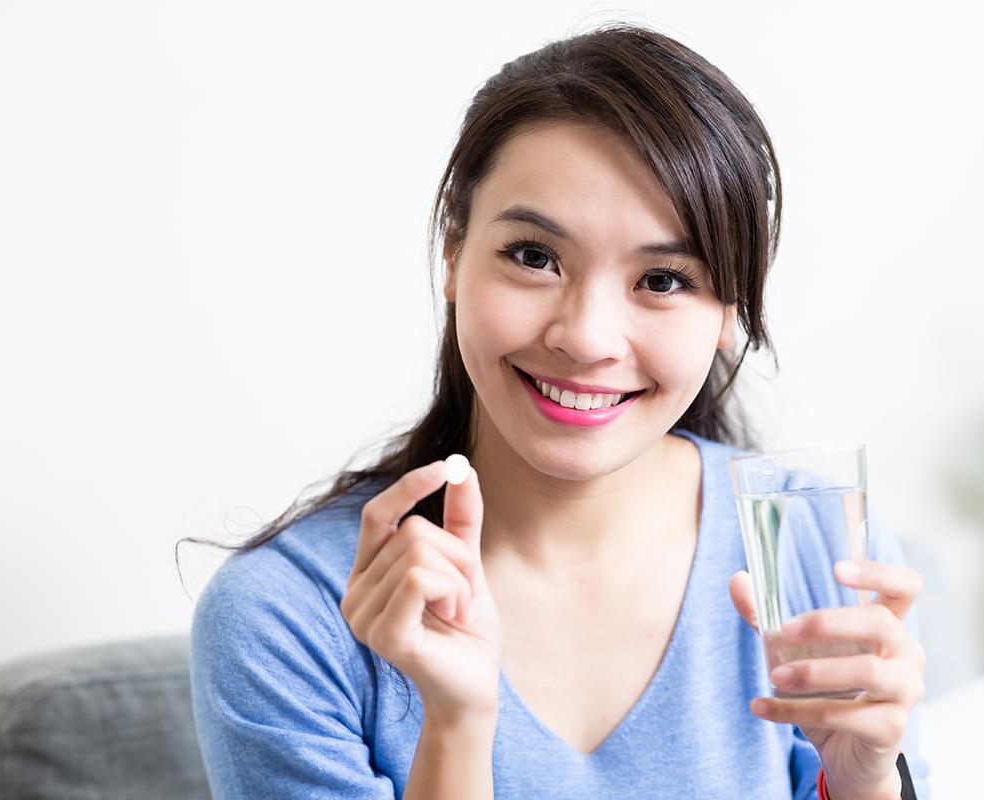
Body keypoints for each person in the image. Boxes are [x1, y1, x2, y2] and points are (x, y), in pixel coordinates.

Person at [188, 21, 930, 799]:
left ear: (729, 311)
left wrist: (864, 783)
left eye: (666, 279)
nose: (585, 338)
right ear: (452, 252)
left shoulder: (816, 543)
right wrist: (458, 728)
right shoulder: (285, 617)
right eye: (535, 258)